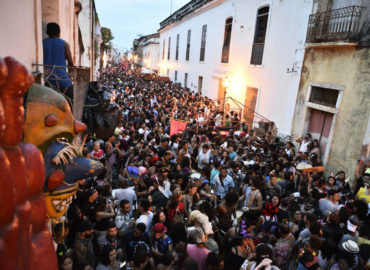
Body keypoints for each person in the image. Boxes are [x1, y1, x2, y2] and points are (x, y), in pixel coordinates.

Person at [43, 22, 74, 102]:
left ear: (47, 32)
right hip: (63, 82)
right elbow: (70, 62)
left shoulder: (42, 43)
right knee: (69, 106)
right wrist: (70, 74)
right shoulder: (64, 44)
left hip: (48, 83)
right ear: (58, 33)